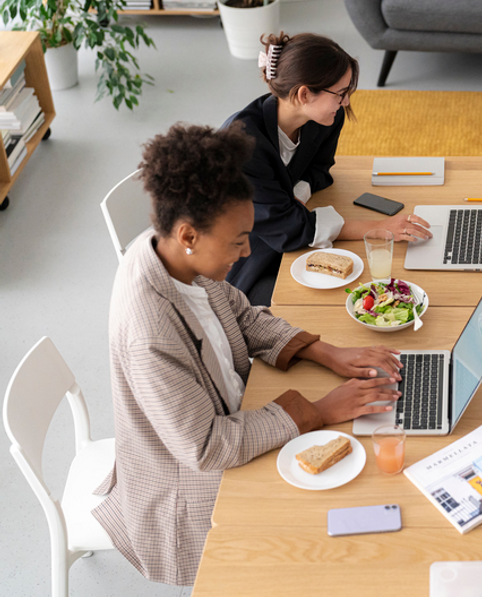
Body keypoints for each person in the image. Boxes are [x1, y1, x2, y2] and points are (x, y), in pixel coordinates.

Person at [93, 123, 405, 586]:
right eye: (237, 240)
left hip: (236, 412)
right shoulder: (149, 332)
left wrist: (326, 352)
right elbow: (207, 447)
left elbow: (241, 314)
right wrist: (318, 411)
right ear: (189, 235)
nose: (245, 252)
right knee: (334, 534)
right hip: (188, 487)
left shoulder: (173, 253)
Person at [224, 32, 431, 305]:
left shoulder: (325, 118)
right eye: (340, 94)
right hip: (247, 255)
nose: (345, 102)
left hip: (286, 229)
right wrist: (380, 227)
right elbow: (289, 230)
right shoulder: (242, 146)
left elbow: (320, 170)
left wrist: (295, 195)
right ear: (304, 94)